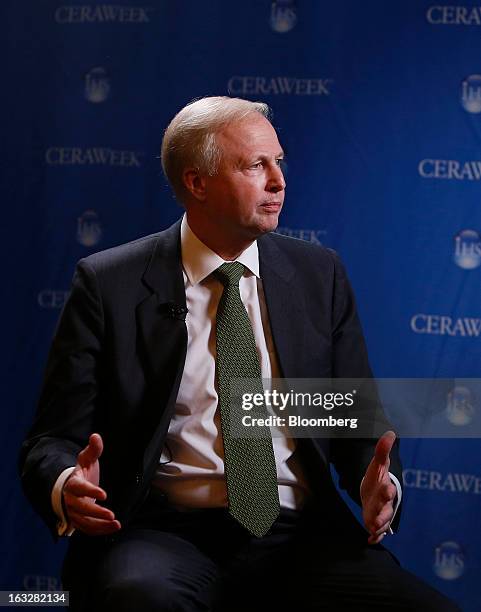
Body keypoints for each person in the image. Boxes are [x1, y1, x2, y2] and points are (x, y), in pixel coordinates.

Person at [19, 96, 459, 611]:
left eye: (279, 162)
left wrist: (379, 485)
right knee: (141, 598)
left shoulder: (321, 275)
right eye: (256, 165)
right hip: (162, 531)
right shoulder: (108, 283)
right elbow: (51, 440)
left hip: (302, 532)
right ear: (197, 183)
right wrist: (66, 482)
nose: (279, 181)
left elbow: (355, 422)